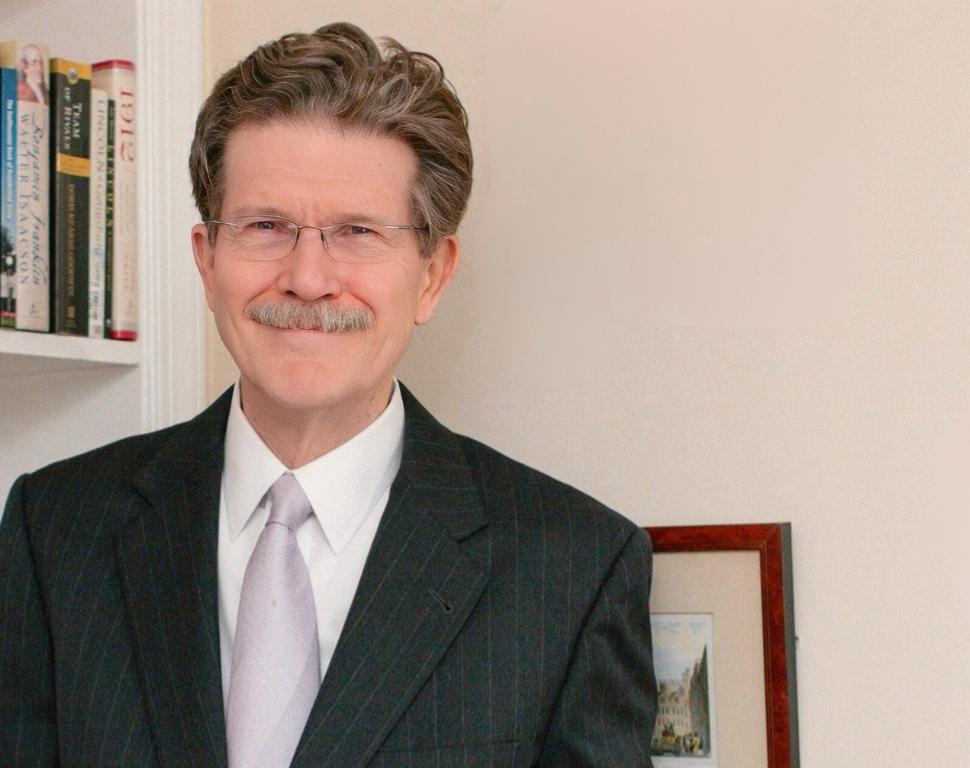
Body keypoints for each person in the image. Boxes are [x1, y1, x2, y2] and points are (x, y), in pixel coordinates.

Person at [0, 22, 656, 768]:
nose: (308, 279)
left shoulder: (573, 565)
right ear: (208, 260)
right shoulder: (54, 531)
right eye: (266, 226)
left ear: (433, 274)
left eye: (356, 232)